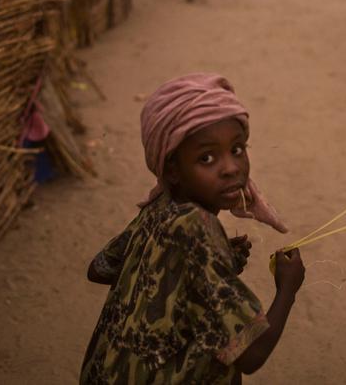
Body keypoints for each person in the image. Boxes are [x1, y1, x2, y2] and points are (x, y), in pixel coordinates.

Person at [81, 74, 304, 384]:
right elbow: (251, 353)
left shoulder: (160, 206)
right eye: (207, 157)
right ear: (172, 168)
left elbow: (100, 268)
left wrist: (202, 270)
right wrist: (287, 288)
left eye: (237, 149)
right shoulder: (197, 229)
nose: (230, 168)